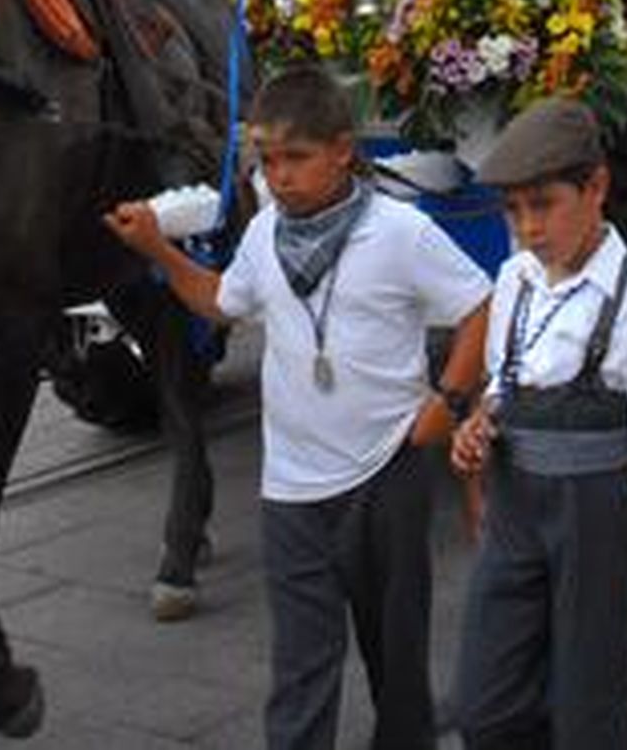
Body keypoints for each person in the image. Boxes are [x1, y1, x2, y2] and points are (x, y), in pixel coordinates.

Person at [105, 64, 491, 750]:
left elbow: (482, 306)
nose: (280, 177)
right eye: (268, 159)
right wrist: (158, 249)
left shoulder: (398, 232)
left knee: (396, 660)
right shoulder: (264, 236)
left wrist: (451, 399)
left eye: (297, 158)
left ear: (343, 150)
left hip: (386, 473)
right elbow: (222, 301)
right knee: (300, 670)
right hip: (292, 490)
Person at [450, 98, 627, 750]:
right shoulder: (514, 281)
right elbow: (504, 386)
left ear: (596, 188)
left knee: (589, 712)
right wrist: (480, 423)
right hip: (516, 513)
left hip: (596, 520)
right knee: (485, 707)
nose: (529, 227)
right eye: (513, 210)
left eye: (543, 204)